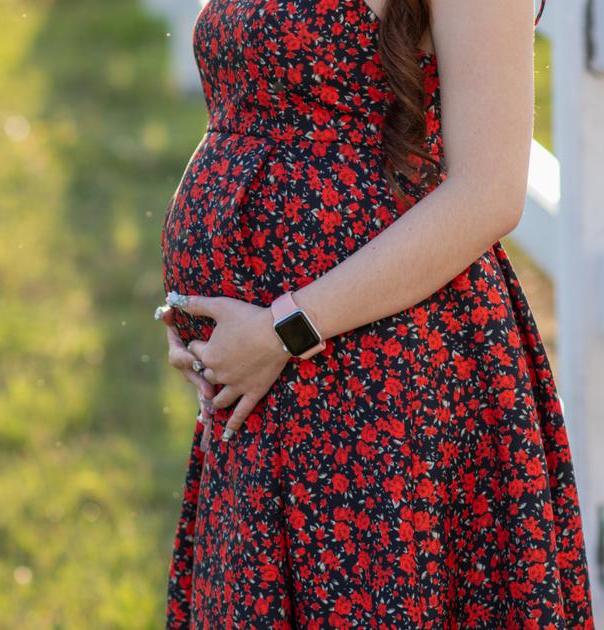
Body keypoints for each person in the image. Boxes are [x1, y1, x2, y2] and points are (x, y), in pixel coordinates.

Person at [155, 0, 594, 626]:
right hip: (265, 389)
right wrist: (198, 325)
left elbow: (489, 193)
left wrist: (284, 329)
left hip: (384, 381)